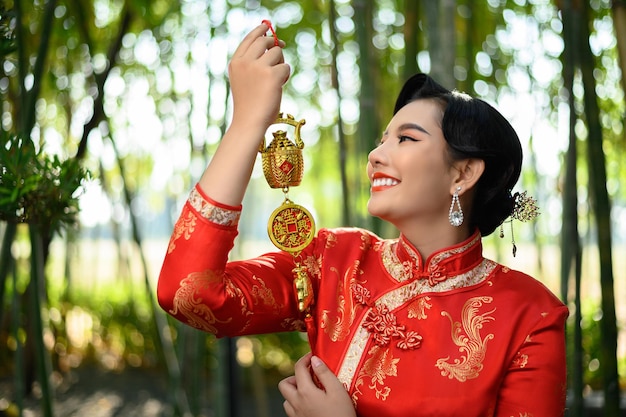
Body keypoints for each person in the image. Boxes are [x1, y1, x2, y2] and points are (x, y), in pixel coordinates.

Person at [157, 22, 568, 417]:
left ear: (463, 174)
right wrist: (248, 124)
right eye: (382, 139)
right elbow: (189, 294)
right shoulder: (335, 260)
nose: (376, 155)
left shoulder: (531, 316)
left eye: (406, 138)